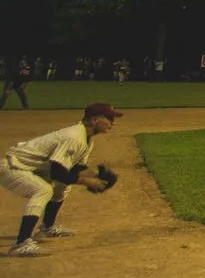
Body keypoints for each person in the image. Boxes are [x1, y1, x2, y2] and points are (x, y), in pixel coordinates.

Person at [4, 102, 121, 256]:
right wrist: (87, 181)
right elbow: (58, 172)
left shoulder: (86, 138)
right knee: (43, 190)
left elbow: (75, 168)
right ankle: (21, 243)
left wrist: (95, 174)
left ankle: (47, 227)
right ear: (94, 120)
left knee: (62, 186)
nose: (113, 123)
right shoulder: (74, 137)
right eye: (109, 119)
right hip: (14, 167)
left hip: (32, 168)